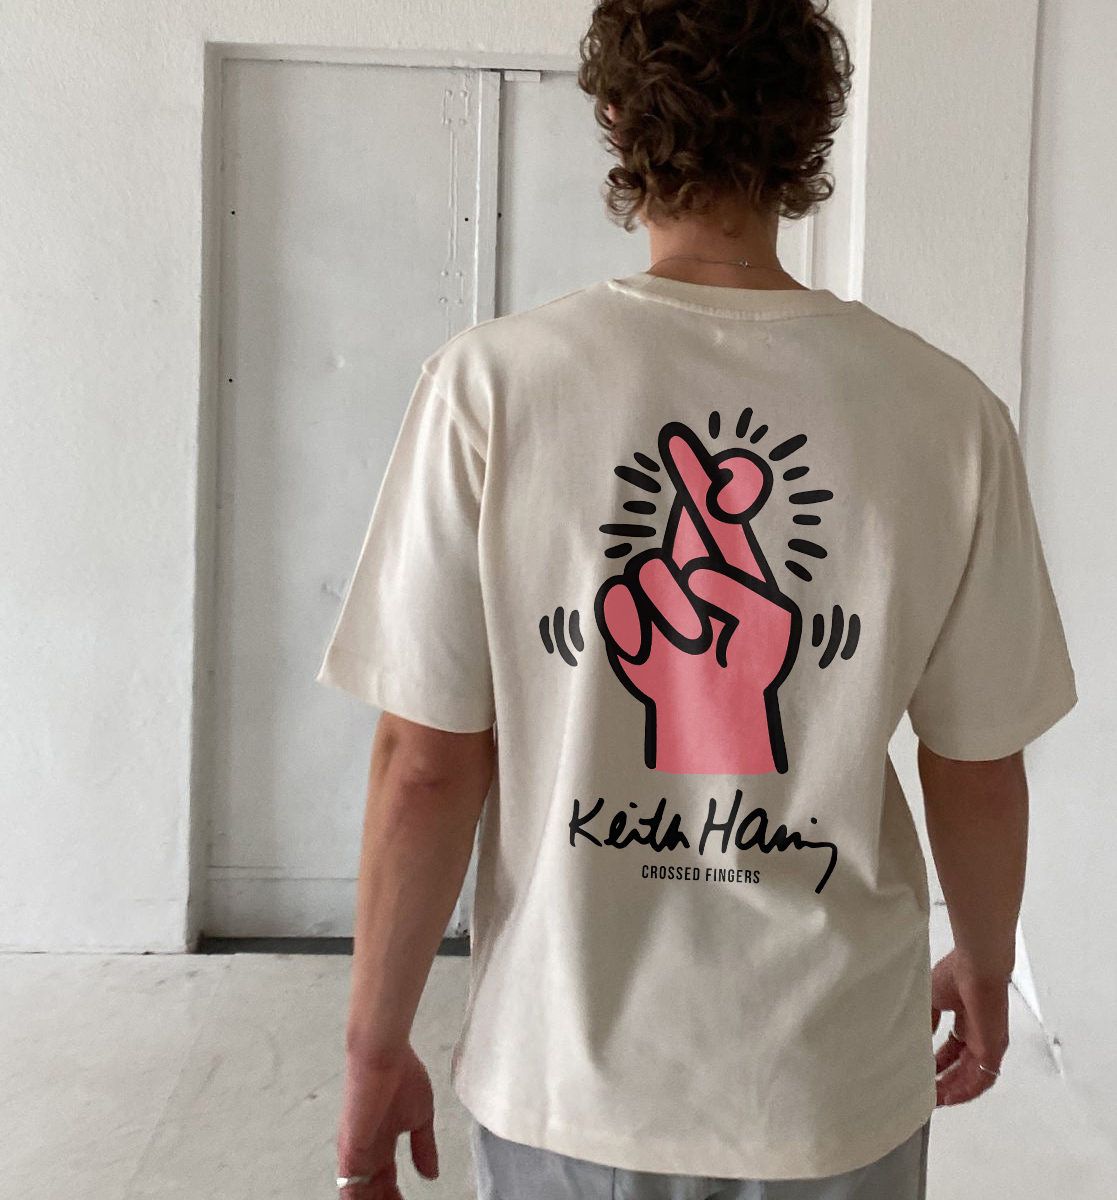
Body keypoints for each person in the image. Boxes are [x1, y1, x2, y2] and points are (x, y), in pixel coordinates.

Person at [316, 1, 1078, 1197]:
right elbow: (977, 764)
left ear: (618, 113)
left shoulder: (492, 390)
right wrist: (986, 963)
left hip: (571, 1079)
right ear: (813, 124)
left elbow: (425, 764)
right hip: (829, 1083)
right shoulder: (946, 415)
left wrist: (374, 1047)